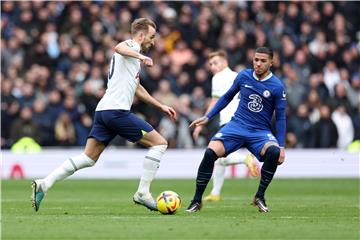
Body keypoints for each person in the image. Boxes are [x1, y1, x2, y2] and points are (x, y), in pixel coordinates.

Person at [32, 18, 177, 212]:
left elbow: (137, 88)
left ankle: (44, 183)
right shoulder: (132, 46)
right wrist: (141, 57)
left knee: (89, 158)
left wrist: (160, 105)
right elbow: (118, 47)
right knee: (159, 143)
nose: (153, 41)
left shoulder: (133, 57)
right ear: (141, 35)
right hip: (116, 111)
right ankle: (143, 193)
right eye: (151, 37)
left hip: (104, 111)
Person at [186, 47, 286, 213]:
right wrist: (208, 117)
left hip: (260, 132)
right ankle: (197, 200)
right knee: (210, 153)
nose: (258, 64)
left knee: (274, 152)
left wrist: (281, 145)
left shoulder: (277, 86)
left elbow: (281, 117)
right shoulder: (244, 76)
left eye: (263, 61)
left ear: (271, 62)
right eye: (256, 60)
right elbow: (226, 97)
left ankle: (259, 196)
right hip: (237, 126)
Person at [192, 50, 259, 202]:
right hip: (245, 120)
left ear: (225, 62)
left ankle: (246, 159)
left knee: (217, 155)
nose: (212, 67)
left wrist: (203, 122)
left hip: (230, 121)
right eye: (210, 64)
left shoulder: (218, 77)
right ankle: (215, 193)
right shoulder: (239, 75)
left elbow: (214, 101)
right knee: (219, 158)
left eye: (216, 63)